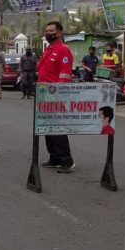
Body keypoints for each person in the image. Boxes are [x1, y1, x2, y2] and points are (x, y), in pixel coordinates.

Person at [37, 21, 75, 173]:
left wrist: (60, 95)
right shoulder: (48, 50)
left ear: (59, 33)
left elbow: (64, 75)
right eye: (46, 30)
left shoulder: (63, 50)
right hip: (44, 94)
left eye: (51, 30)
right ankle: (54, 157)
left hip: (55, 95)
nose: (48, 33)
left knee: (58, 128)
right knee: (47, 128)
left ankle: (66, 160)